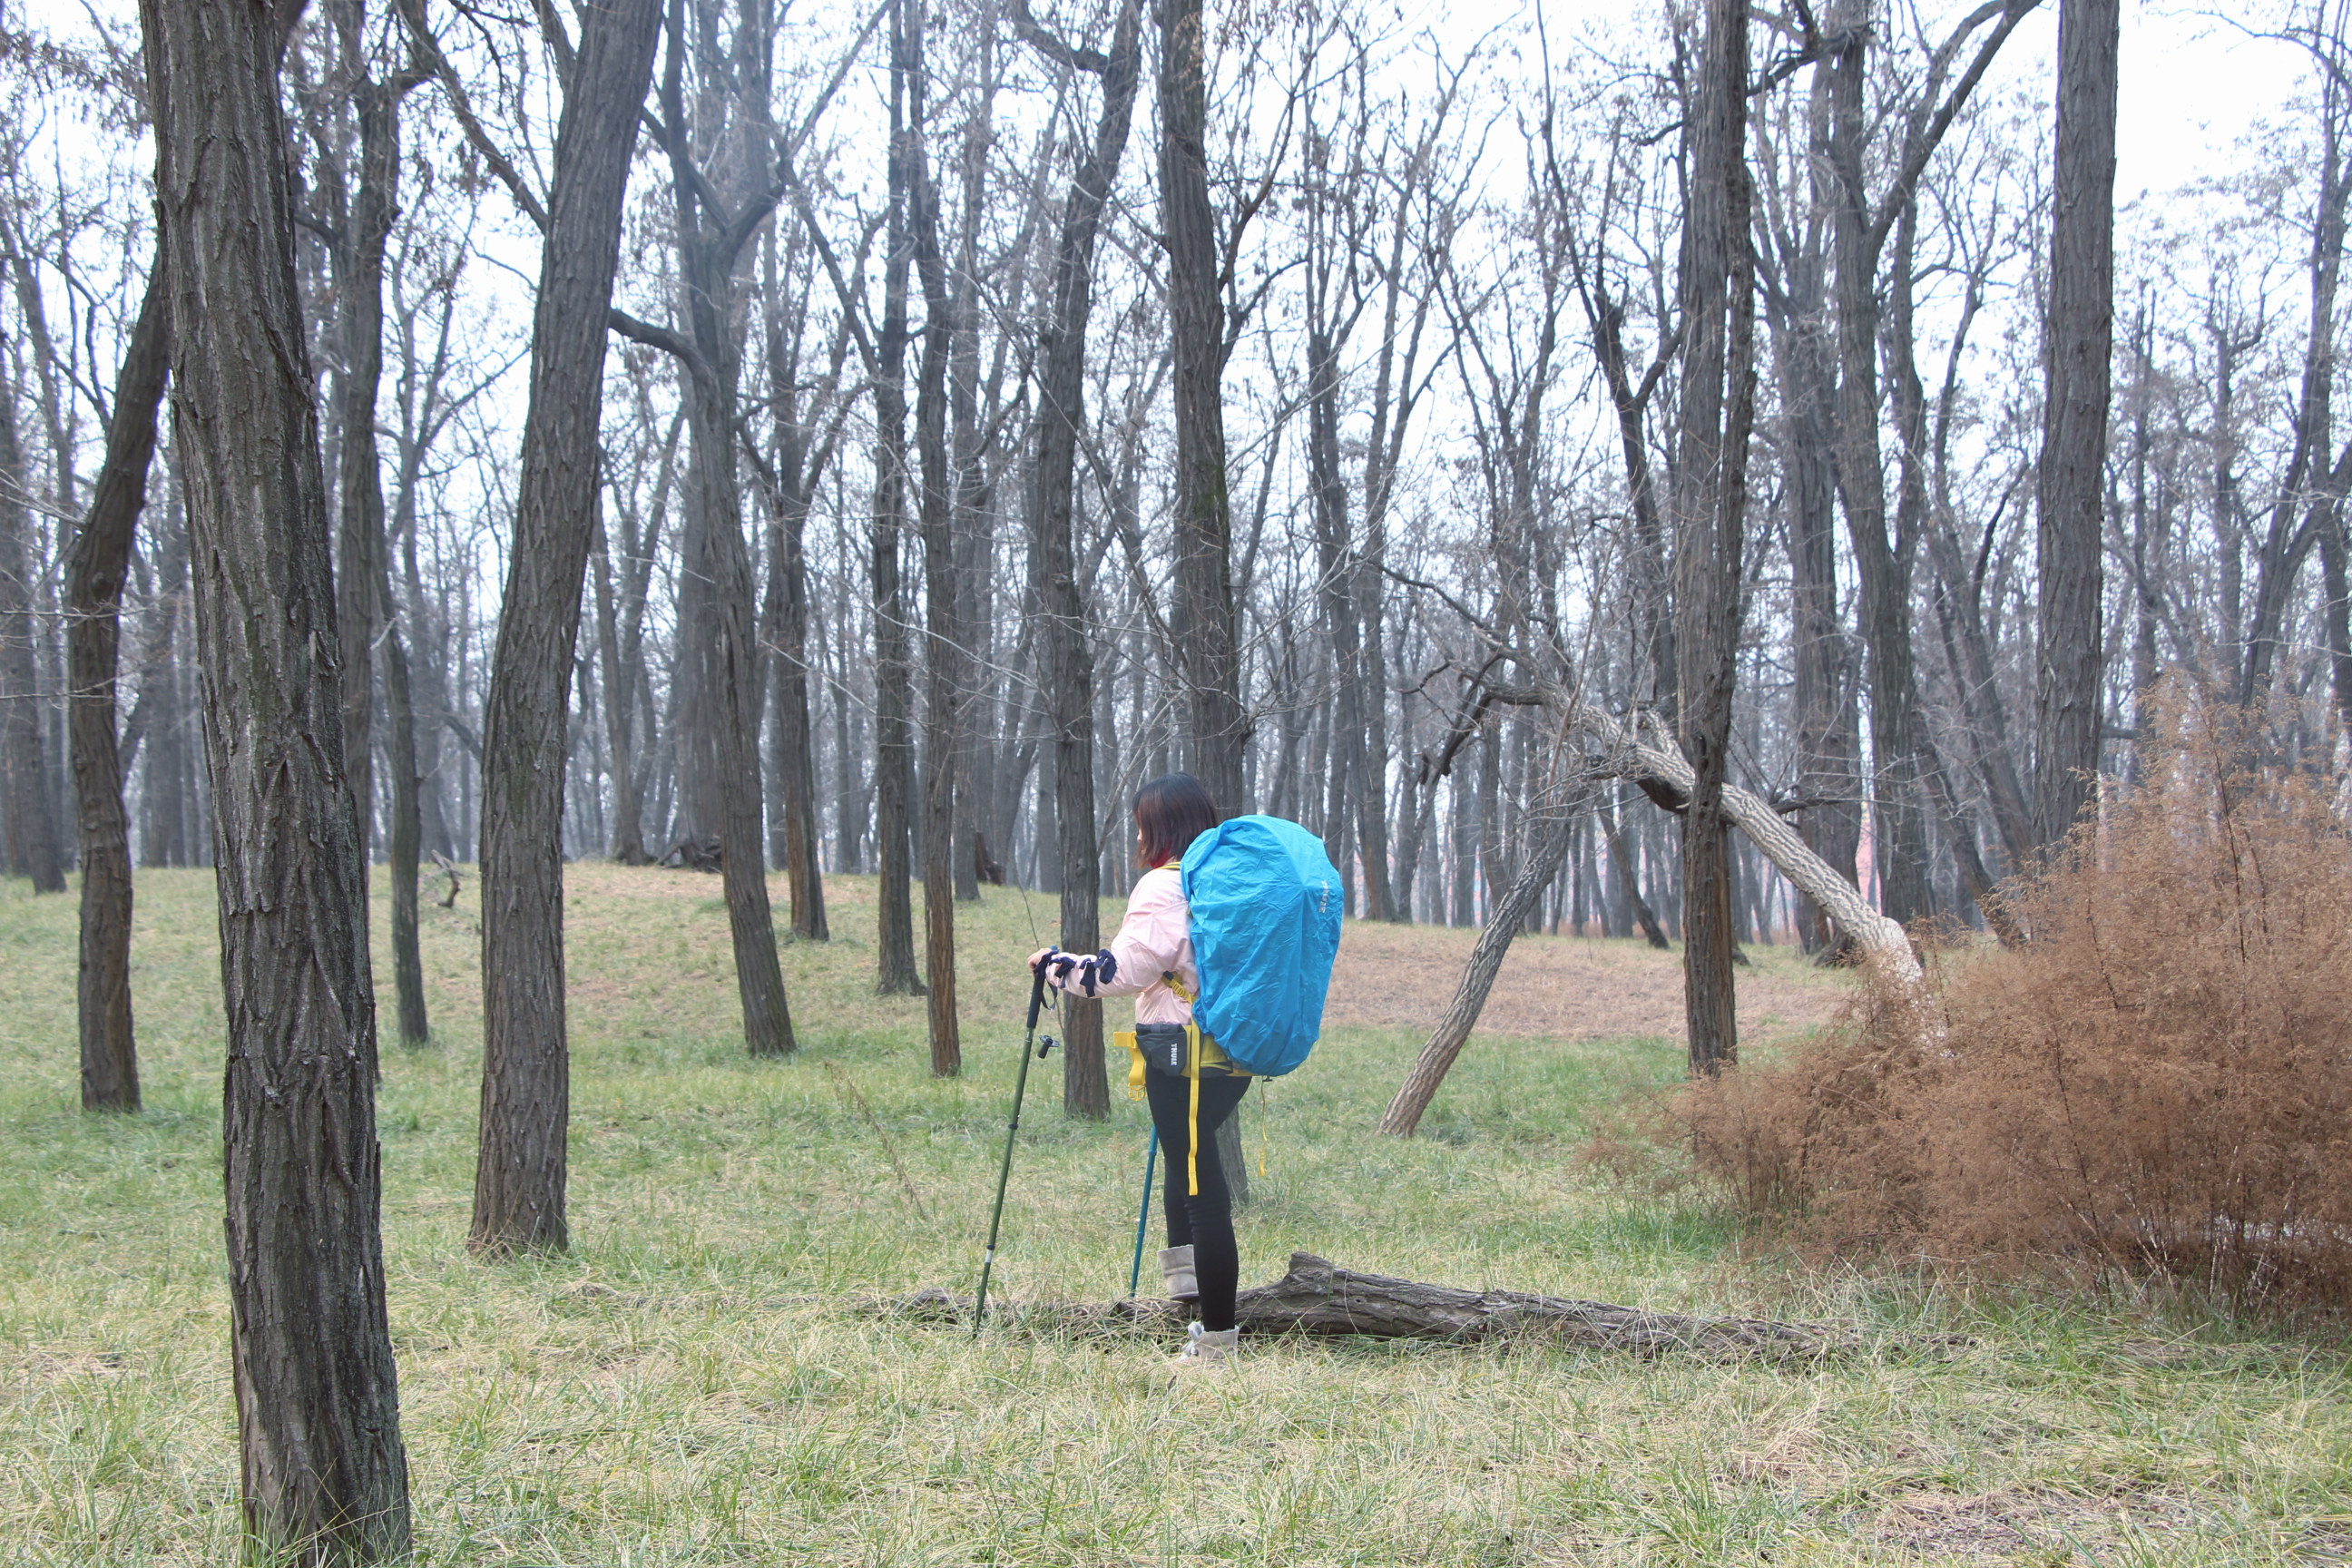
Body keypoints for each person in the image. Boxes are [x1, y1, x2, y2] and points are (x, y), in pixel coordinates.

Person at [1028, 772, 1248, 1369]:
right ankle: (1187, 1295)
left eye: (1141, 825)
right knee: (1187, 1160)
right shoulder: (1230, 879)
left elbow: (1116, 974)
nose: (1138, 837)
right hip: (1234, 1049)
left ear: (1159, 827)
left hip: (1183, 1050)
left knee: (1201, 1187)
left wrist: (1056, 967)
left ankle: (1217, 1344)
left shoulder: (1163, 886)